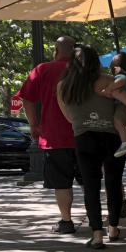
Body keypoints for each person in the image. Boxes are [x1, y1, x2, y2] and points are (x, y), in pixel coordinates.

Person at [56, 45, 126, 250]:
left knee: (91, 187)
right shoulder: (109, 82)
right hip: (111, 137)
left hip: (83, 138)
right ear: (96, 61)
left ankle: (96, 234)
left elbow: (67, 117)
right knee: (113, 182)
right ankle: (113, 227)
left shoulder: (64, 86)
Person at [18, 36, 81, 234]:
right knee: (89, 179)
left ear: (56, 50)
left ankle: (66, 221)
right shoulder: (85, 72)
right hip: (85, 134)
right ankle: (95, 219)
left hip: (54, 136)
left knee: (61, 183)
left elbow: (27, 99)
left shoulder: (42, 70)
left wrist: (34, 124)